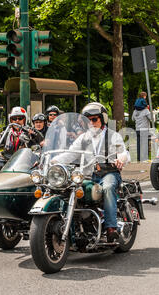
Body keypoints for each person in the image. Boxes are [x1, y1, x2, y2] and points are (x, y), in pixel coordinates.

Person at [54, 102, 130, 243]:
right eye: (88, 120)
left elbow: (124, 153)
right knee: (68, 188)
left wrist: (121, 158)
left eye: (94, 119)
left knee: (107, 188)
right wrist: (52, 162)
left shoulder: (113, 136)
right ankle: (77, 226)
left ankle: (111, 227)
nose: (91, 123)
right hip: (88, 176)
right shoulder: (83, 138)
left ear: (103, 119)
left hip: (109, 174)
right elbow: (69, 154)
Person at [132, 92, 152, 162]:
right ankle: (144, 158)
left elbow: (132, 119)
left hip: (137, 129)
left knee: (138, 144)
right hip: (144, 129)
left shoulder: (135, 111)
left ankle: (139, 158)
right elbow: (151, 119)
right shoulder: (146, 111)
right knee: (145, 144)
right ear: (144, 97)